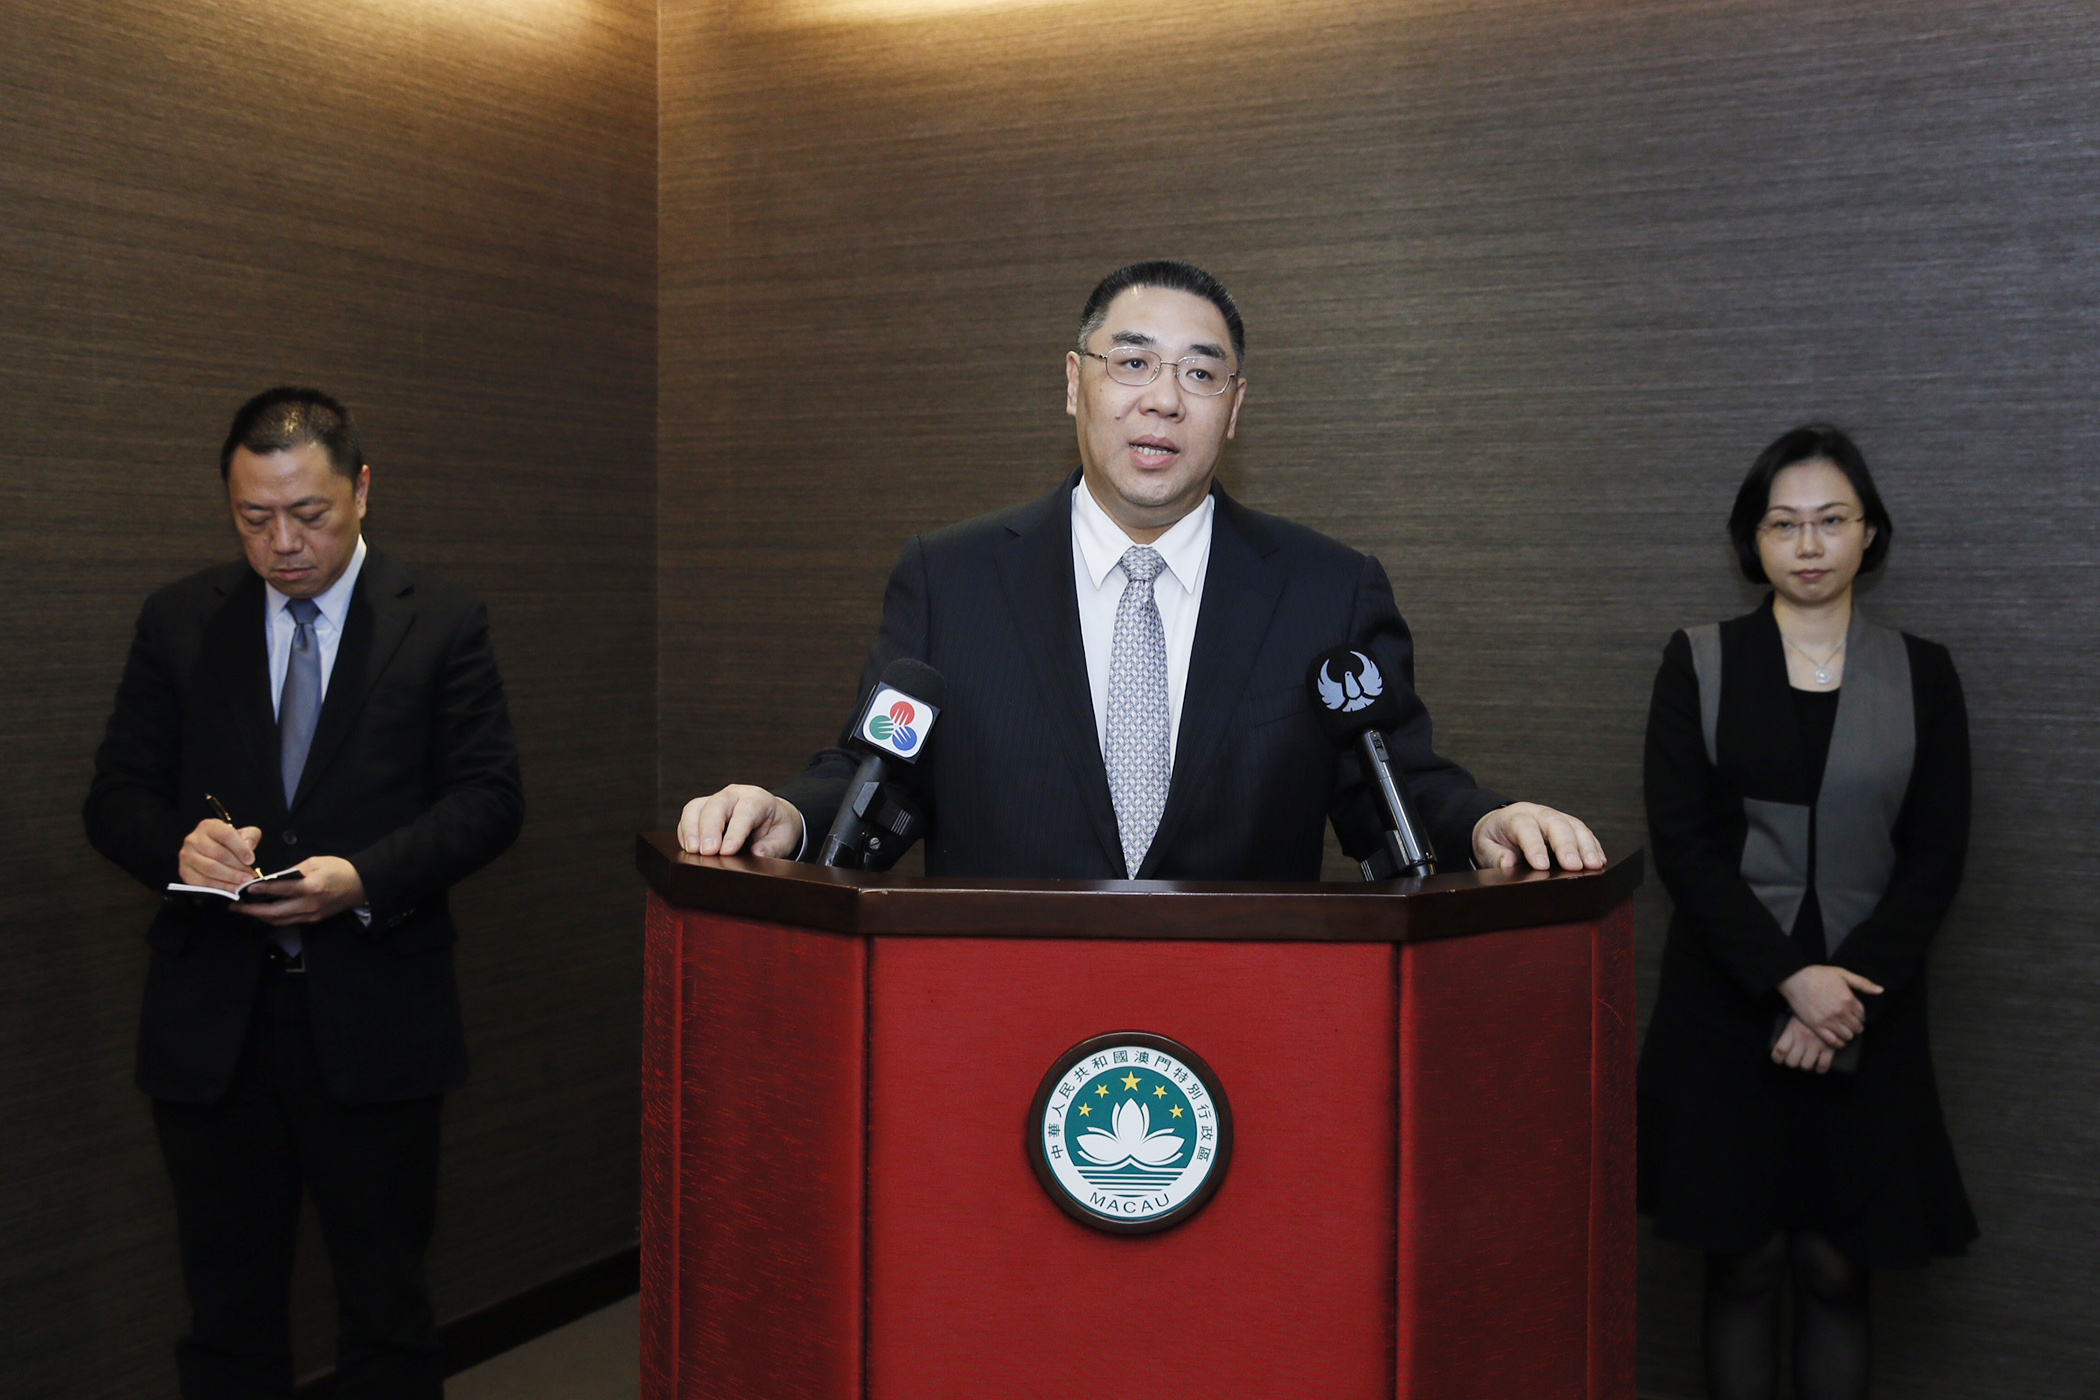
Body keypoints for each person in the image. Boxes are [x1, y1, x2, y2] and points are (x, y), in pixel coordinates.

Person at [679, 260, 1603, 880]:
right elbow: (879, 769)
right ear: (1073, 383)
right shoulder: (951, 578)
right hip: (997, 1017)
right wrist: (789, 816)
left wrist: (1483, 825)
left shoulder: (1327, 590)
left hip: (1241, 1027)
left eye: (1201, 374)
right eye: (1132, 363)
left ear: (1234, 410)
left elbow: (1392, 785)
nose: (1163, 399)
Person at [84, 387, 525, 1399]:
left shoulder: (440, 620)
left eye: (308, 514)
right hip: (214, 1028)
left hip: (376, 1016)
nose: (282, 544)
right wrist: (180, 847)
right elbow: (114, 798)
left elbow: (491, 800)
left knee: (387, 1310)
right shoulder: (180, 620)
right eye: (254, 518)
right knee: (225, 1317)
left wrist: (364, 877)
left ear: (361, 489)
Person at [1638, 424, 1976, 1400]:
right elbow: (1685, 848)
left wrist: (1842, 997)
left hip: (1870, 1007)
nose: (1810, 543)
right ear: (1753, 541)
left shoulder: (1923, 673)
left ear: (1870, 532)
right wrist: (1792, 979)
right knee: (1744, 1264)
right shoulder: (1699, 660)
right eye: (1783, 524)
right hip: (1729, 1003)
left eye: (1832, 520)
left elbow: (1937, 856)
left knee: (1837, 1267)